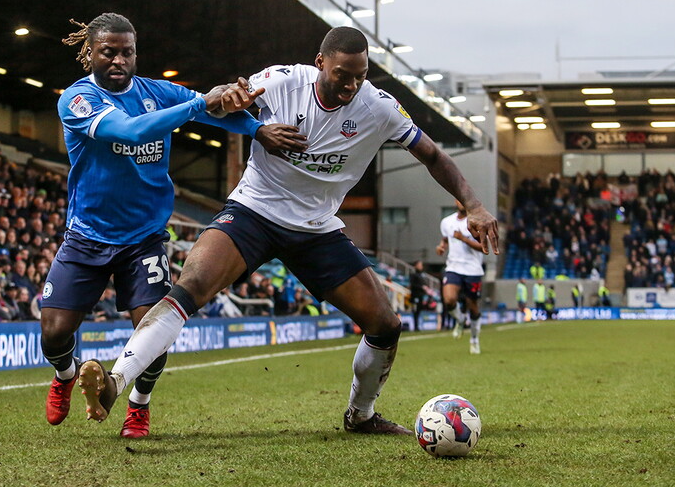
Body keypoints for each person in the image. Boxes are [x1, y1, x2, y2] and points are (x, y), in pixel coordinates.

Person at [76, 26, 498, 436]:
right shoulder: (282, 81)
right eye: (342, 75)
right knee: (191, 286)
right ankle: (116, 381)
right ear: (320, 63)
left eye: (360, 76)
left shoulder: (380, 108)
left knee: (385, 324)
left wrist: (475, 205)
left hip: (317, 229)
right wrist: (228, 98)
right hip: (254, 211)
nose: (351, 85)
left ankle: (361, 415)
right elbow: (224, 101)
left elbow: (433, 155)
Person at [40, 13, 305, 438]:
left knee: (153, 329)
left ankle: (138, 405)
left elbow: (217, 112)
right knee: (53, 333)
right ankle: (66, 374)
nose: (119, 60)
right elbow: (129, 131)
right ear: (90, 52)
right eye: (109, 52)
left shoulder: (157, 92)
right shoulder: (77, 100)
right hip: (87, 235)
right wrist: (201, 103)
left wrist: (256, 128)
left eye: (127, 52)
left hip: (143, 240)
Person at [436, 198, 486, 354]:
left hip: (473, 269)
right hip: (453, 267)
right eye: (459, 200)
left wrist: (463, 238)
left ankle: (474, 339)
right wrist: (442, 247)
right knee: (449, 299)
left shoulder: (477, 222)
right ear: (455, 202)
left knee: (473, 306)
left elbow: (484, 247)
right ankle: (460, 319)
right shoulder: (446, 222)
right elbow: (446, 239)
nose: (462, 203)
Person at [409, 260, 426, 331]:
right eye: (419, 265)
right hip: (415, 296)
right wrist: (421, 287)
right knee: (415, 311)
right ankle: (415, 326)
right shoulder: (413, 275)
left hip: (420, 296)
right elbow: (413, 285)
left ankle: (417, 326)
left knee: (418, 311)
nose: (421, 266)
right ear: (415, 266)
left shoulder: (422, 275)